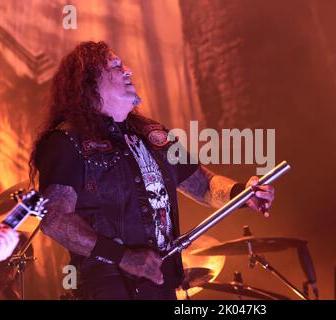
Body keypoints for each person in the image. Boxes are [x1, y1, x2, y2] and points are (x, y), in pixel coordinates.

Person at [29, 41, 275, 300]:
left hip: (162, 281)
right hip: (109, 287)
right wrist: (123, 257)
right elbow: (54, 219)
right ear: (89, 83)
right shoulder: (66, 142)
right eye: (115, 66)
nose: (129, 70)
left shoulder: (152, 134)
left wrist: (242, 193)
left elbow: (204, 184)